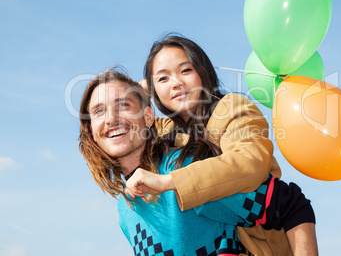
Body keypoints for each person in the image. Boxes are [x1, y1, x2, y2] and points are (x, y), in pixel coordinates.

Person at [79, 69, 317, 255]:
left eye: (124, 105)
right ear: (91, 131)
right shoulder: (125, 208)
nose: (111, 118)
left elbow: (288, 204)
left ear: (149, 117)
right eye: (99, 111)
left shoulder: (184, 171)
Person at [126, 34, 318, 255]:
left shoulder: (231, 108)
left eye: (186, 70)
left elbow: (248, 162)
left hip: (259, 242)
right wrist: (142, 90)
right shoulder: (166, 130)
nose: (177, 83)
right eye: (163, 79)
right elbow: (129, 124)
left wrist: (170, 181)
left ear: (203, 72)